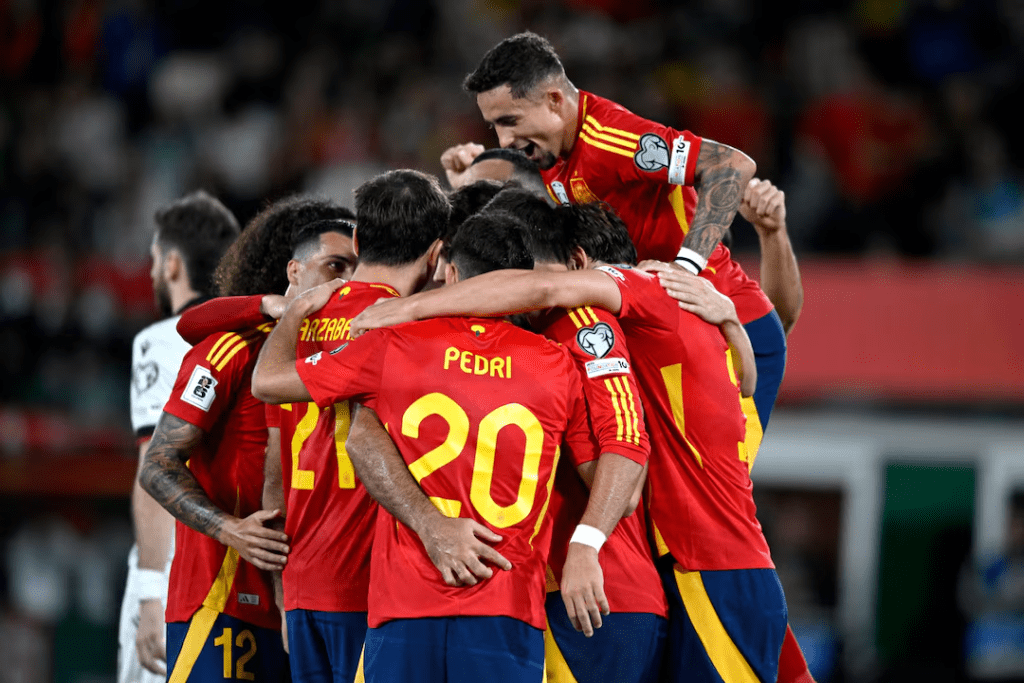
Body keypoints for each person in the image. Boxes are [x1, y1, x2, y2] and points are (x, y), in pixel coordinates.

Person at [350, 203, 787, 683]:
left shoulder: (605, 306)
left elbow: (541, 288)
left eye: (519, 275)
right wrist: (729, 321)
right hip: (675, 567)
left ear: (578, 264)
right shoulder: (662, 316)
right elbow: (749, 379)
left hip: (702, 567)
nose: (507, 294)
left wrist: (406, 309)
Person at [252, 211, 644, 683]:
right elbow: (620, 483)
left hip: (404, 604)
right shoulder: (558, 364)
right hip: (508, 607)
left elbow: (272, 385)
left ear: (453, 274)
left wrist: (293, 310)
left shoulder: (397, 343)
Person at [460, 31, 790, 432]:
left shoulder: (609, 139)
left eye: (510, 121)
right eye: (494, 126)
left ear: (554, 100)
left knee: (712, 491)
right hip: (667, 331)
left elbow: (732, 165)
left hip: (727, 331)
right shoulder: (551, 150)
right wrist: (468, 176)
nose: (505, 139)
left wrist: (686, 268)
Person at [137, 198, 335, 682]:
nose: (348, 281)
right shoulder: (232, 348)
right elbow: (157, 464)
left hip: (313, 607)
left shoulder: (346, 358)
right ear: (293, 271)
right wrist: (229, 529)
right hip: (224, 601)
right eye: (336, 266)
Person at [119, 191, 239, 683]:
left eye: (152, 259)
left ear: (171, 264)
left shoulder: (162, 340)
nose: (151, 272)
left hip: (176, 569)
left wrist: (151, 591)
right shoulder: (253, 335)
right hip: (236, 566)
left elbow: (156, 470)